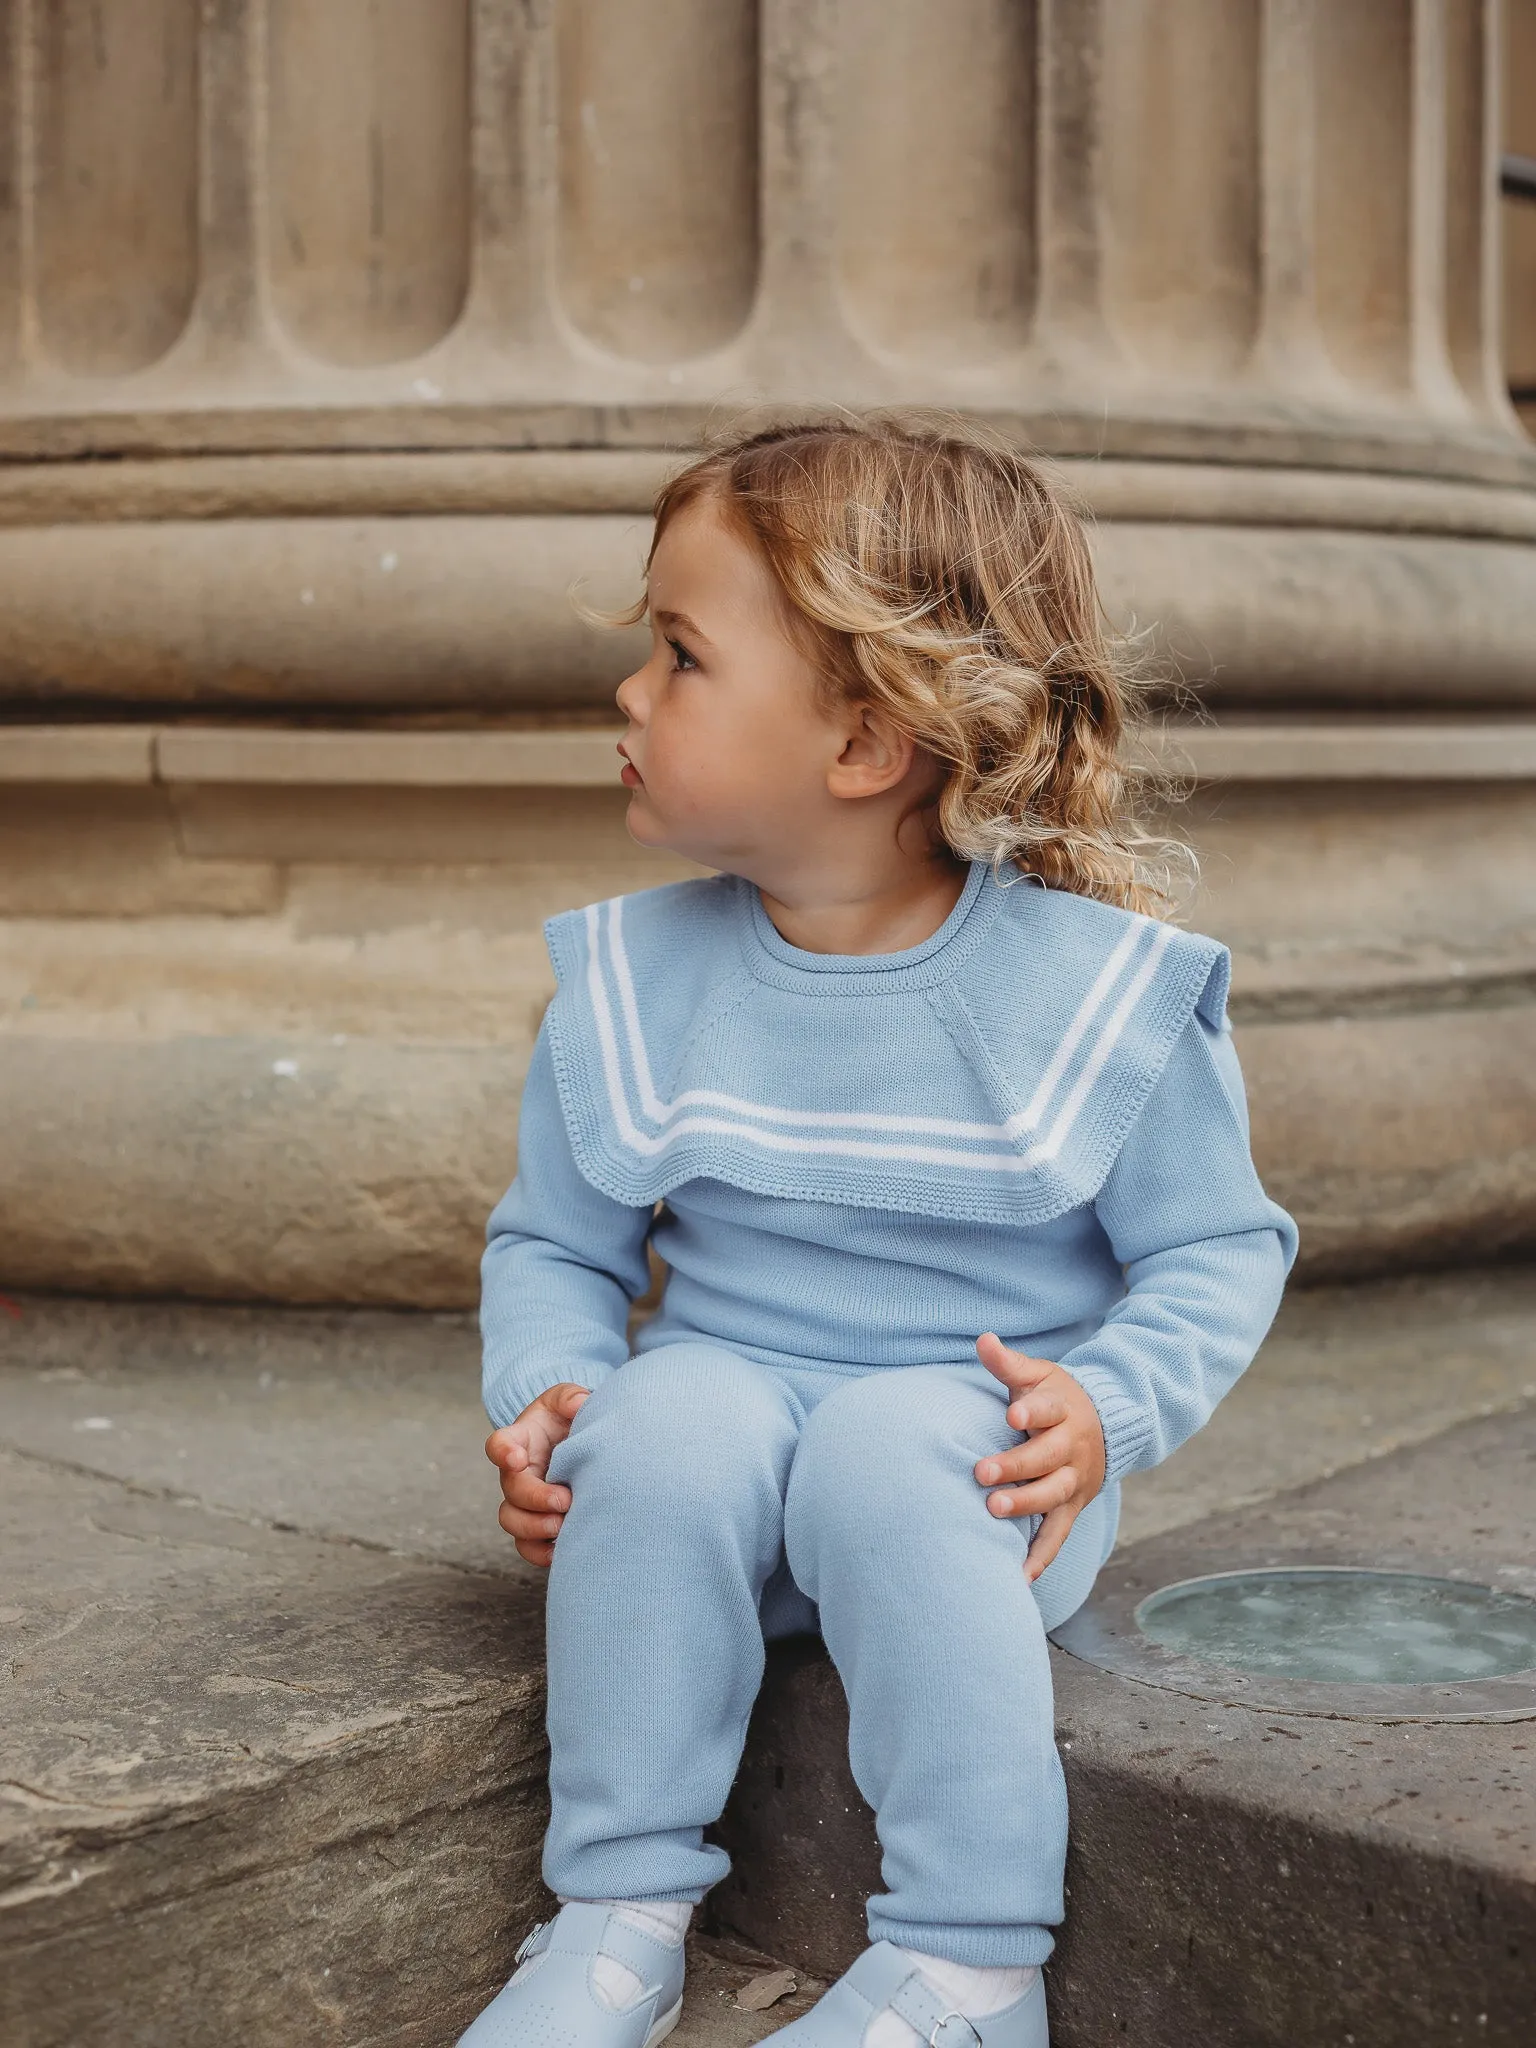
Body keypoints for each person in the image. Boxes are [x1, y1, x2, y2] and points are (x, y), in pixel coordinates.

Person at [460, 417, 1296, 2048]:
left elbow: (1219, 1246)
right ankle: (616, 1917)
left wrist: (1104, 1407)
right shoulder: (638, 987)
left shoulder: (1088, 994)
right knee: (670, 1410)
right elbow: (555, 1247)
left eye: (682, 656)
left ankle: (969, 1967)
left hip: (970, 1495)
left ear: (863, 743)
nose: (632, 694)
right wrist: (553, 1395)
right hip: (714, 1492)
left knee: (895, 1444)